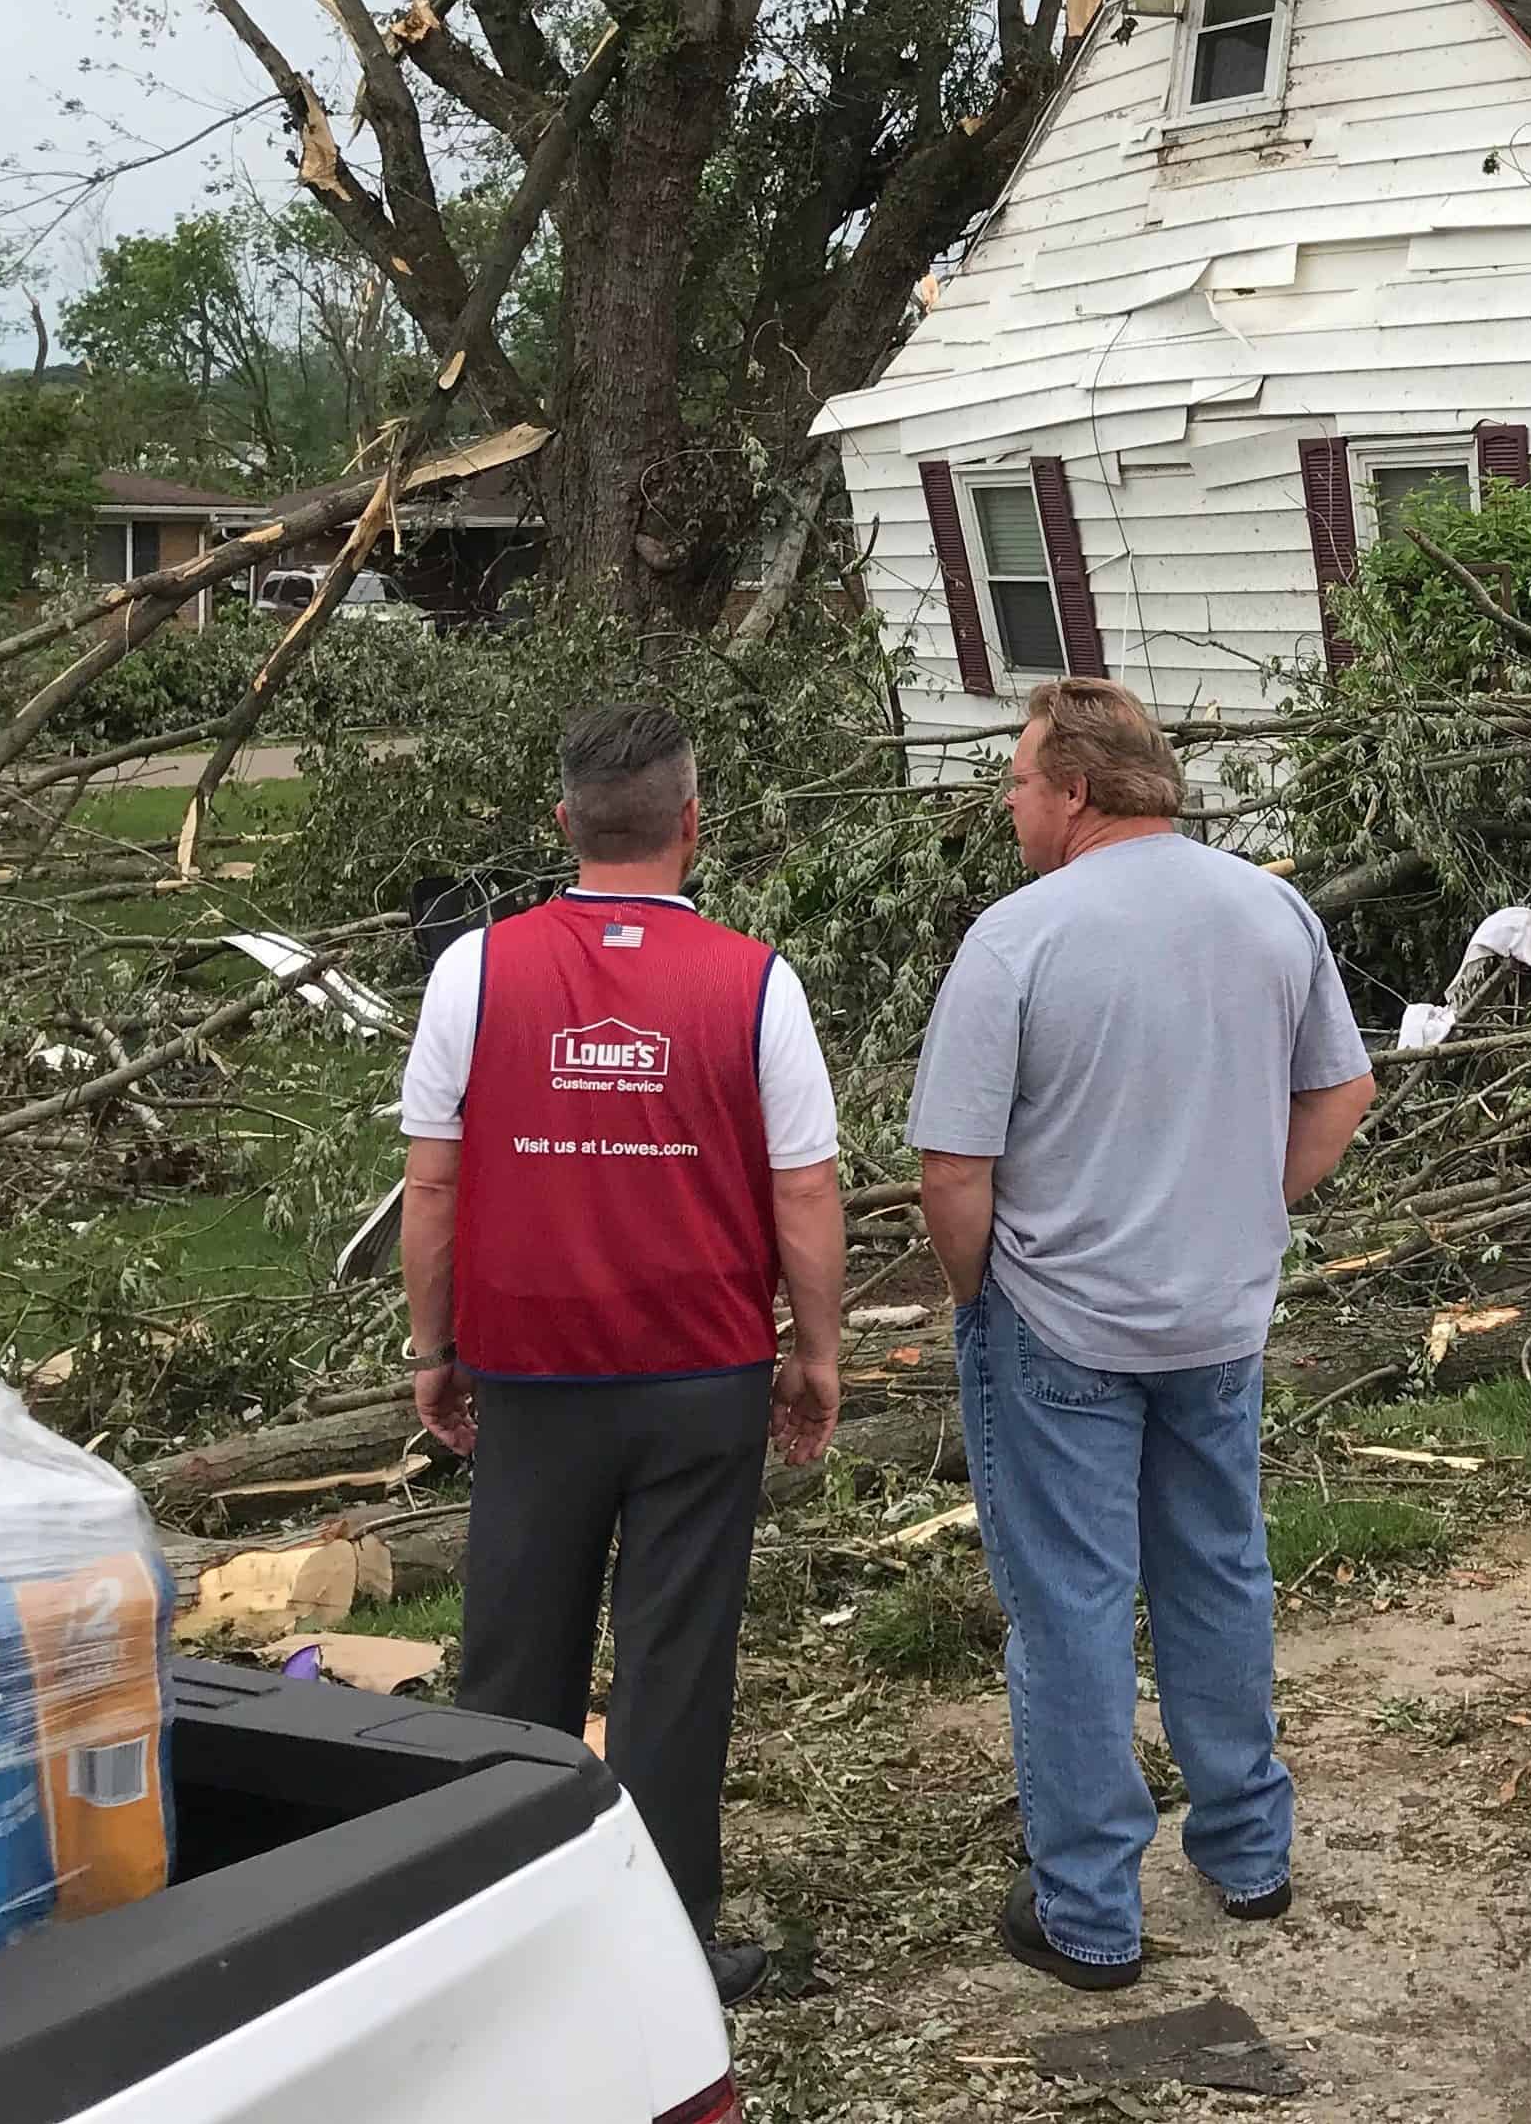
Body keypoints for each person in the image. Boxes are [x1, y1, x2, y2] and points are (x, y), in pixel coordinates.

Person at [910, 677, 1376, 1989]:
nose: (1006, 806)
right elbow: (1344, 1087)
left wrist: (976, 1289)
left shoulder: (1018, 939)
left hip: (1061, 1322)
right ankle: (1246, 1851)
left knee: (1070, 1603)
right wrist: (1241, 1200)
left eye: (1013, 782)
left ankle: (1087, 1912)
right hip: (1215, 1317)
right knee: (1217, 1571)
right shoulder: (1267, 907)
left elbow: (955, 1170)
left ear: (1072, 790)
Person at [398, 701, 848, 2007]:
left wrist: (434, 1345)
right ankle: (664, 1949)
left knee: (515, 1653)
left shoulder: (474, 972)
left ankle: (499, 1929)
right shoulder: (756, 982)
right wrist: (813, 1354)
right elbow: (806, 1192)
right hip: (701, 1371)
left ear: (564, 828)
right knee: (674, 1659)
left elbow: (432, 1186)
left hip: (530, 1370)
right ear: (692, 825)